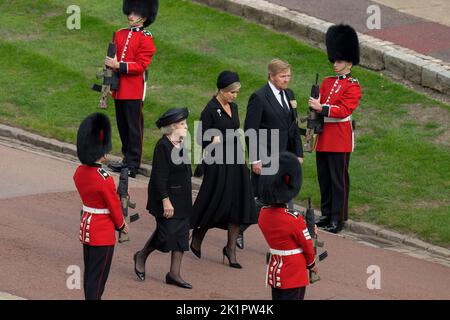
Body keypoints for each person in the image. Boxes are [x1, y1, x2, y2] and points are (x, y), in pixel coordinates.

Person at [190, 71, 257, 268]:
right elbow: (200, 137)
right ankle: (198, 234)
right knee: (216, 201)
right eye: (232, 92)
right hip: (217, 163)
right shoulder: (209, 110)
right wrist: (212, 139)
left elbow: (235, 130)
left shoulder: (234, 107)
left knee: (238, 202)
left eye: (236, 92)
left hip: (235, 160)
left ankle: (230, 249)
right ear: (221, 90)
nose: (234, 96)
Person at [239, 59, 304, 249]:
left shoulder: (289, 95)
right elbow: (250, 129)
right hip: (266, 156)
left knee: (286, 199)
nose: (287, 80)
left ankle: (286, 241)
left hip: (286, 159)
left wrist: (298, 153)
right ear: (272, 76)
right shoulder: (259, 97)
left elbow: (293, 126)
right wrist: (256, 159)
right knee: (263, 200)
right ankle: (238, 228)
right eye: (283, 76)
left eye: (289, 76)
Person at [308, 24, 362, 234]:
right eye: (334, 60)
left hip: (339, 138)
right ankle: (327, 213)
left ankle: (338, 219)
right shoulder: (327, 82)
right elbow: (319, 103)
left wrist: (322, 108)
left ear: (349, 62)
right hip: (324, 137)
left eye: (339, 61)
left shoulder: (353, 85)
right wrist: (313, 104)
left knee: (338, 180)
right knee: (325, 178)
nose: (335, 64)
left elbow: (345, 110)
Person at [133, 108, 193, 289]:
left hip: (182, 197)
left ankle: (174, 274)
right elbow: (159, 177)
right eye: (182, 124)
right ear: (171, 128)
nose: (186, 126)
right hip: (165, 197)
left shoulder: (181, 143)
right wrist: (166, 200)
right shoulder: (163, 146)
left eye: (185, 123)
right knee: (166, 234)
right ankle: (142, 255)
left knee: (182, 234)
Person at [73, 113, 128, 300]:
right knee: (97, 281)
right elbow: (113, 206)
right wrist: (121, 225)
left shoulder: (79, 173)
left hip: (87, 228)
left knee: (90, 275)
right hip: (102, 233)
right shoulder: (104, 179)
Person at [106, 0, 158, 178]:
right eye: (130, 12)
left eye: (135, 13)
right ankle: (126, 160)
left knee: (134, 128)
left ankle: (133, 164)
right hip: (118, 88)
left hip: (134, 90)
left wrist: (118, 65)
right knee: (123, 126)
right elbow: (113, 56)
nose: (130, 16)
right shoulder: (120, 34)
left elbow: (141, 65)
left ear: (144, 17)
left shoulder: (146, 38)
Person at [258, 152, 317, 300]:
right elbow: (307, 245)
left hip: (275, 272)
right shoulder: (293, 219)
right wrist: (312, 265)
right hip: (293, 275)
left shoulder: (263, 215)